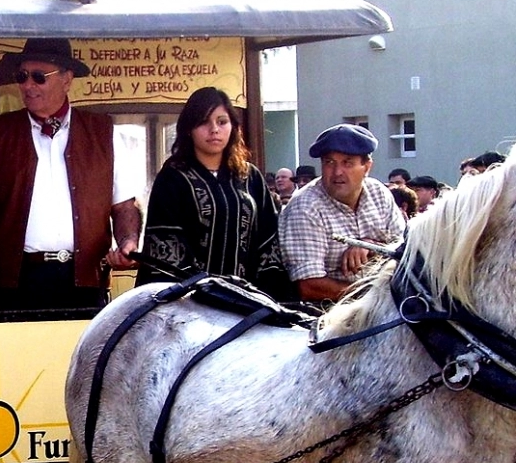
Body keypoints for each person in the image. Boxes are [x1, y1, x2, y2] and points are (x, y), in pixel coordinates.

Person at [0, 37, 143, 311]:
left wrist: (128, 243)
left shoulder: (103, 133)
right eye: (22, 76)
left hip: (84, 281)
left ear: (67, 80)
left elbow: (124, 206)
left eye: (39, 77)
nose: (28, 85)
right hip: (14, 283)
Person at [135, 87, 293, 300]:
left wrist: (266, 296)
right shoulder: (174, 177)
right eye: (203, 122)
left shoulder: (250, 177)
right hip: (189, 304)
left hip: (247, 302)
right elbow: (165, 247)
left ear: (233, 127)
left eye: (222, 121)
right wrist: (200, 292)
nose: (214, 129)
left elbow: (268, 242)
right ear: (189, 128)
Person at [279, 124, 406, 303]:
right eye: (329, 162)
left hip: (386, 306)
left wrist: (371, 246)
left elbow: (405, 253)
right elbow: (309, 286)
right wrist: (372, 298)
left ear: (367, 167)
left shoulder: (379, 193)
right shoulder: (305, 207)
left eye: (347, 162)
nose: (337, 172)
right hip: (327, 316)